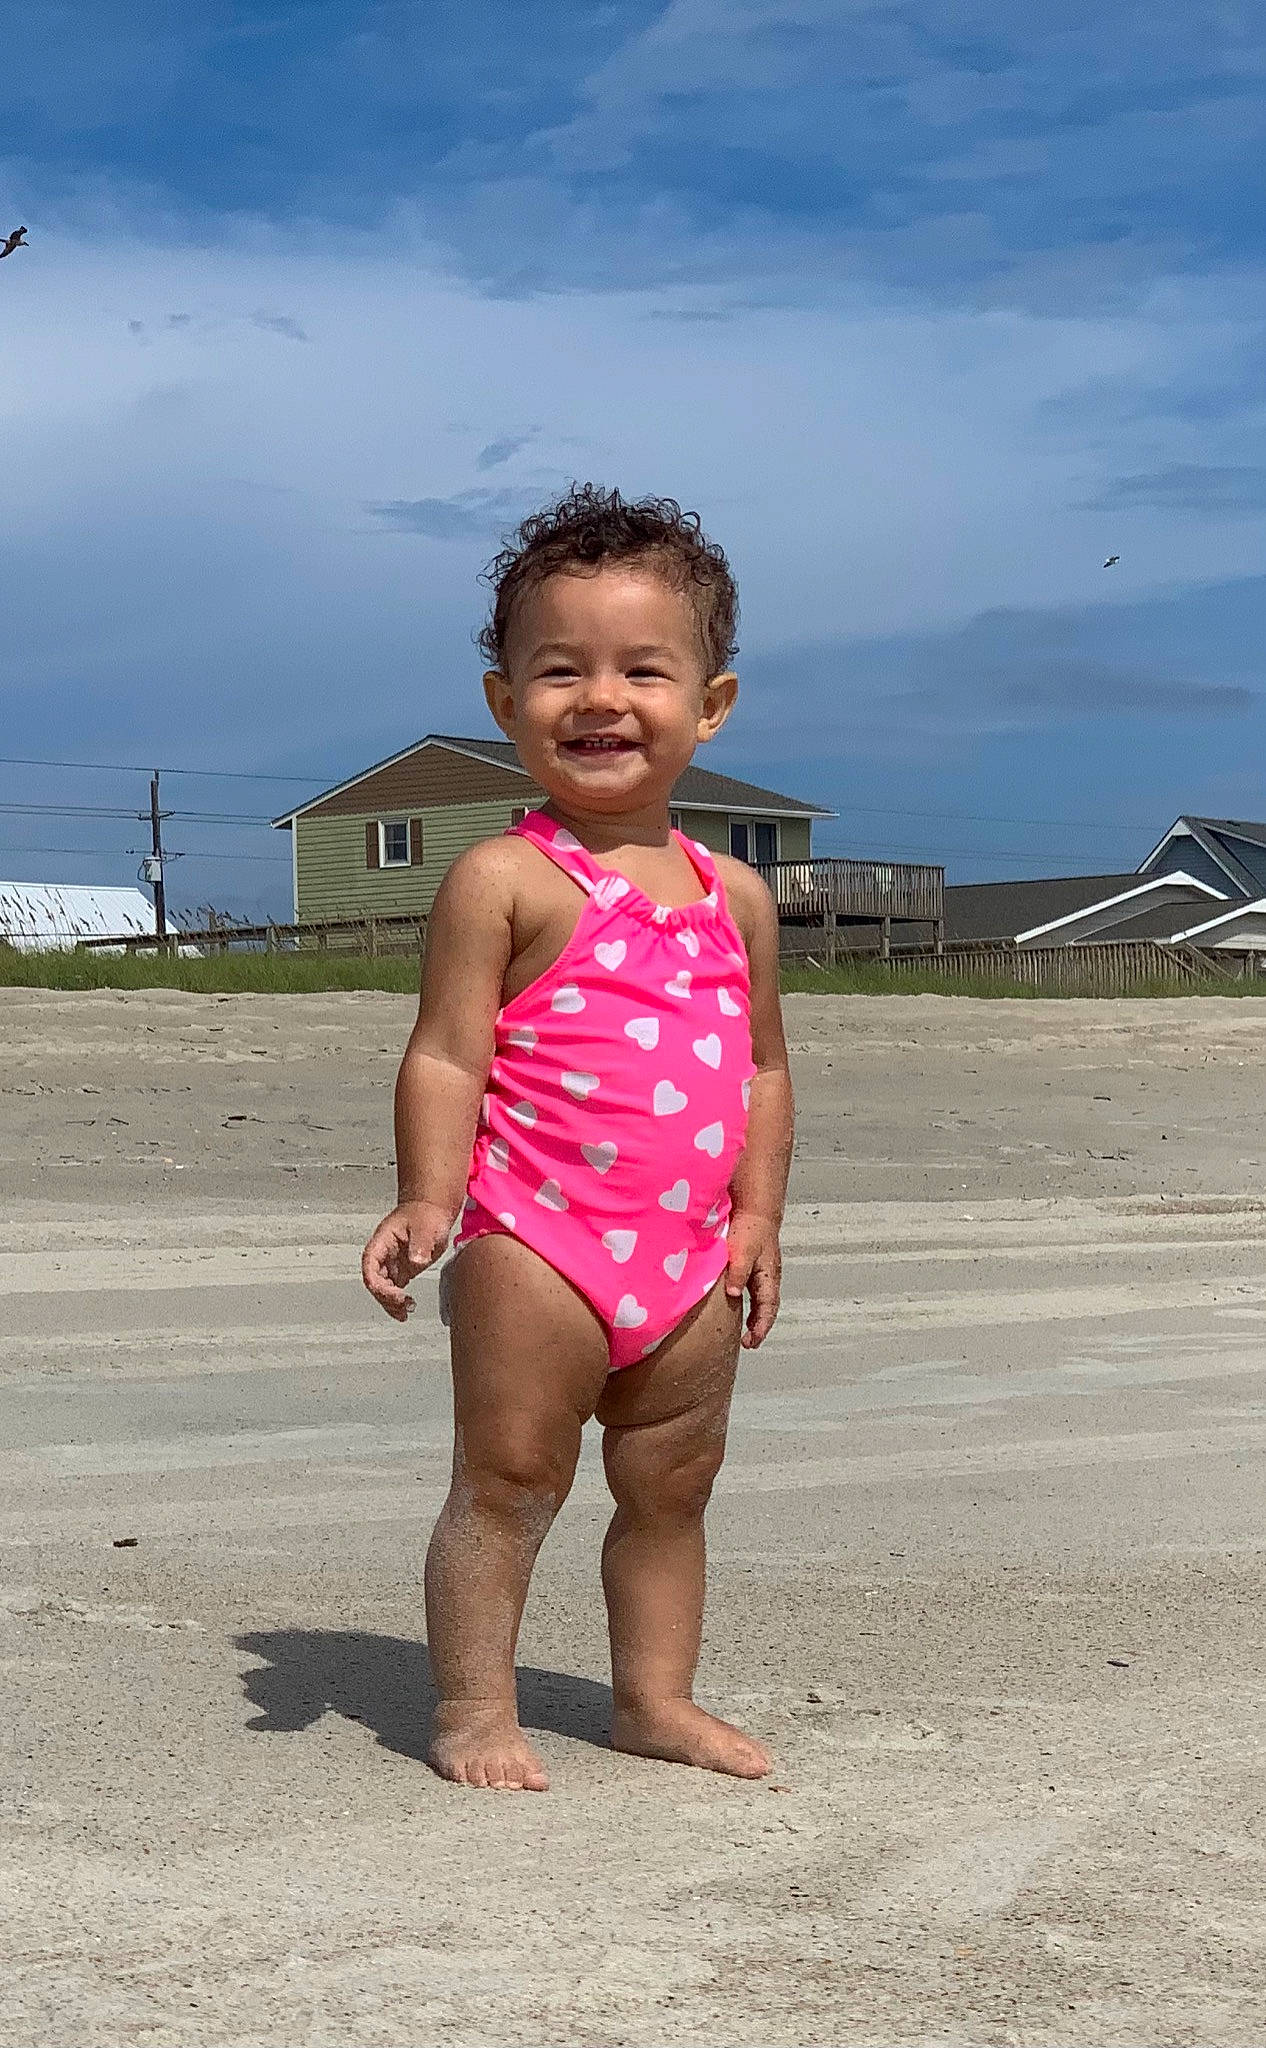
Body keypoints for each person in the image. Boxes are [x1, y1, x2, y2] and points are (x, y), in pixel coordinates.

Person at [362, 484, 794, 1791]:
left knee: (673, 1485)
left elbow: (765, 1068)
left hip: (688, 1259)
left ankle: (652, 1698)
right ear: (505, 703)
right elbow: (446, 1049)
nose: (600, 698)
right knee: (506, 1477)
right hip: (533, 1241)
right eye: (560, 671)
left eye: (641, 670)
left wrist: (760, 1215)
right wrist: (427, 1200)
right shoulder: (505, 878)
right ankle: (471, 1708)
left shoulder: (738, 896)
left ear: (708, 704)